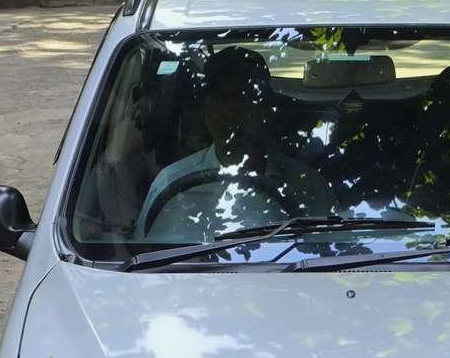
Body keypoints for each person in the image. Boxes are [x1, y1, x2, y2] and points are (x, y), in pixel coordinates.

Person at [139, 47, 334, 240]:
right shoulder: (171, 185)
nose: (231, 112)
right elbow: (144, 256)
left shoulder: (309, 187)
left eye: (243, 97)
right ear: (206, 110)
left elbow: (329, 251)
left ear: (265, 108)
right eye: (221, 99)